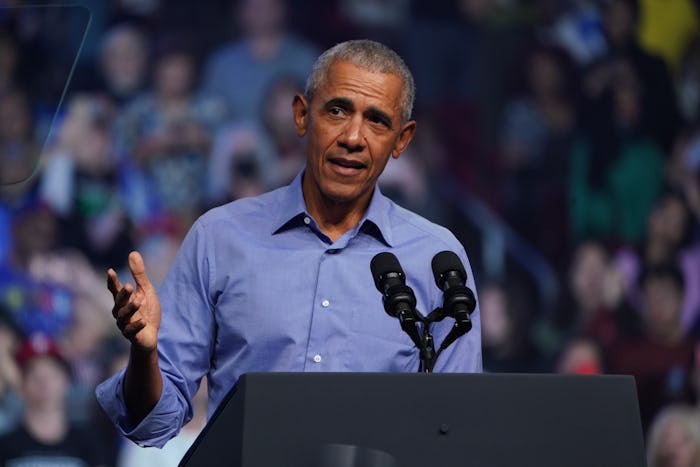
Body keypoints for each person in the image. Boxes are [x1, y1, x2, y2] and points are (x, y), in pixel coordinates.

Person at [96, 39, 482, 449]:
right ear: (301, 115)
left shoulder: (436, 259)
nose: (353, 136)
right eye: (337, 110)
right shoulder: (220, 237)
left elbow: (455, 432)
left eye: (377, 121)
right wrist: (144, 356)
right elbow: (153, 423)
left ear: (401, 141)